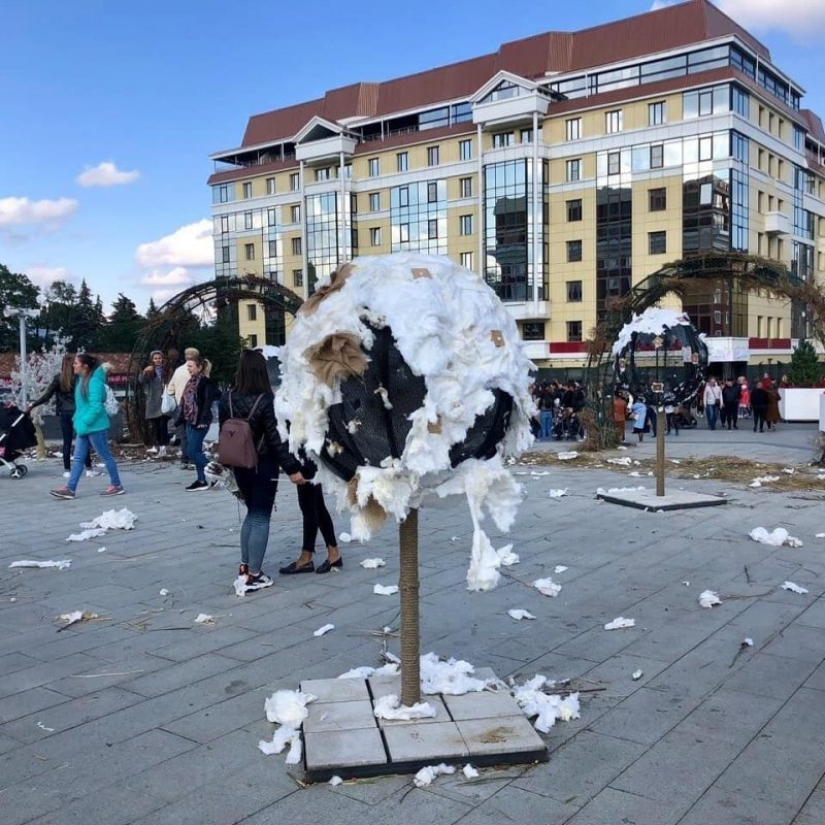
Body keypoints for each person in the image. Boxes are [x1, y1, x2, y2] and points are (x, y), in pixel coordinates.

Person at [219, 350, 304, 591]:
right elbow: (276, 440)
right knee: (260, 516)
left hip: (238, 463)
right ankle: (254, 575)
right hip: (263, 464)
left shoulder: (227, 398)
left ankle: (245, 566)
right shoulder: (267, 400)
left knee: (250, 513)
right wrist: (293, 468)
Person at [49, 354, 124, 499]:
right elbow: (84, 405)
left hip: (95, 427)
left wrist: (84, 422)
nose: (73, 365)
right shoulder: (82, 380)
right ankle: (70, 489)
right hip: (84, 426)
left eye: (76, 363)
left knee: (105, 456)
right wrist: (79, 420)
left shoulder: (94, 382)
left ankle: (117, 485)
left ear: (85, 366)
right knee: (78, 458)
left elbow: (96, 407)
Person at [26, 353, 94, 478]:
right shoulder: (79, 378)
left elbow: (47, 396)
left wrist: (33, 404)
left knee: (66, 441)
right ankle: (89, 469)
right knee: (83, 440)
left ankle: (67, 470)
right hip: (78, 412)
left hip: (64, 413)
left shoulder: (58, 378)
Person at [279, 454, 341, 575]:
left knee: (308, 506)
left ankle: (306, 557)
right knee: (317, 505)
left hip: (306, 455)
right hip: (310, 455)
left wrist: (292, 468)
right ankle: (333, 552)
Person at [177, 354, 219, 491]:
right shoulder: (190, 381)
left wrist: (203, 419)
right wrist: (180, 418)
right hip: (190, 420)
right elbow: (185, 402)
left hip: (200, 421)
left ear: (199, 367)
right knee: (195, 450)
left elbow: (207, 403)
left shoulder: (206, 382)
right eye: (187, 366)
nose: (188, 368)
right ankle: (202, 480)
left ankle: (218, 472)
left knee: (191, 451)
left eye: (190, 366)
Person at [166, 347, 199, 468]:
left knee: (183, 434)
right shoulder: (197, 370)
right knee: (194, 433)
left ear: (185, 357)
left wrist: (178, 395)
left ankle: (184, 459)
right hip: (194, 406)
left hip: (180, 406)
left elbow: (170, 389)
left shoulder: (178, 370)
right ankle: (192, 458)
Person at [138, 350, 171, 456]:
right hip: (153, 401)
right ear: (152, 360)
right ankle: (158, 445)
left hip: (165, 401)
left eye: (159, 358)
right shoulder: (150, 371)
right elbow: (142, 381)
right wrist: (144, 372)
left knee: (163, 425)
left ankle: (163, 447)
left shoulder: (167, 370)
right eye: (155, 358)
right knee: (156, 425)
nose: (158, 360)